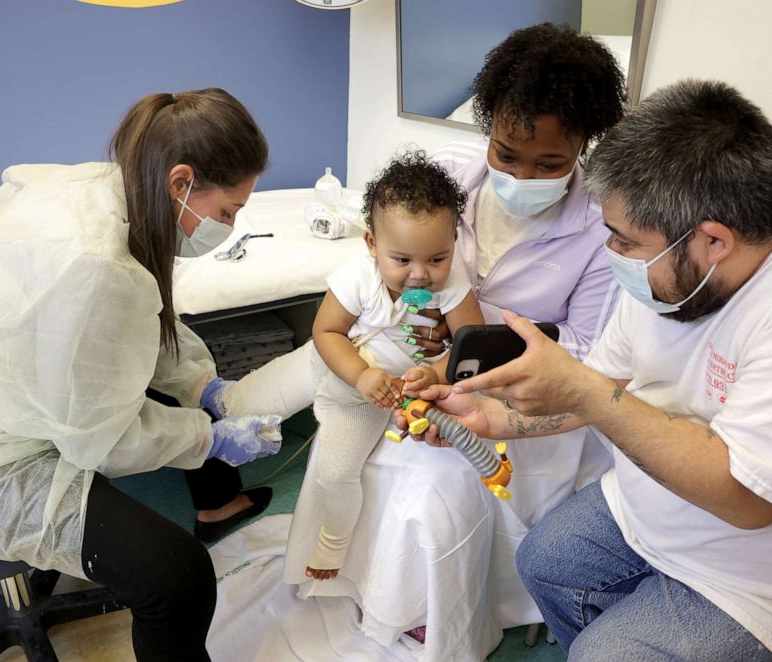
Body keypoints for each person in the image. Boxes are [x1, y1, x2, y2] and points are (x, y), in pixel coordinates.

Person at [412, 80, 772, 661]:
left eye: (624, 241)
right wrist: (491, 416)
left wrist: (583, 391)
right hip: (655, 508)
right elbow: (609, 384)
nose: (612, 254)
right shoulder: (672, 271)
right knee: (545, 562)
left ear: (714, 241)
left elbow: (748, 501)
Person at [221, 23, 628, 660]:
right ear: (487, 129)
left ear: (583, 146)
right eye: (505, 153)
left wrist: (459, 352)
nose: (522, 174)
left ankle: (422, 613)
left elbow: (577, 344)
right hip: (414, 367)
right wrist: (418, 350)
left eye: (549, 163)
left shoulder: (599, 231)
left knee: (422, 489)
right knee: (342, 446)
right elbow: (392, 266)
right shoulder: (443, 186)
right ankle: (348, 578)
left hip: (519, 393)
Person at [0, 88, 284, 661]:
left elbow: (134, 330)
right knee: (177, 577)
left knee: (163, 389)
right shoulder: (96, 267)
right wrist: (207, 437)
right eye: (228, 212)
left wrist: (200, 383)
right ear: (182, 183)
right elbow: (107, 440)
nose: (230, 226)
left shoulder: (104, 191)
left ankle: (217, 503)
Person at [300, 152, 484, 581]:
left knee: (336, 470)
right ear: (372, 244)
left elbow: (470, 345)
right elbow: (326, 333)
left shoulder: (452, 284)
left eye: (436, 260)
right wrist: (361, 374)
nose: (420, 275)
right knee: (252, 399)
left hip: (379, 398)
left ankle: (333, 543)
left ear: (454, 243)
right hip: (345, 370)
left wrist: (437, 373)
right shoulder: (356, 277)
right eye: (402, 261)